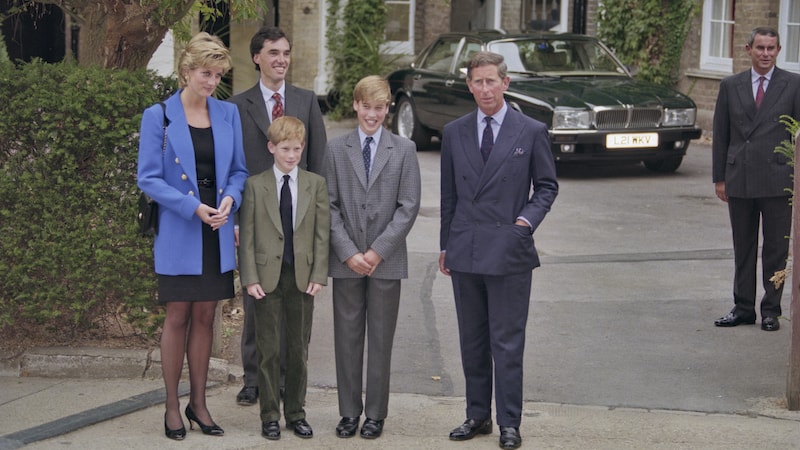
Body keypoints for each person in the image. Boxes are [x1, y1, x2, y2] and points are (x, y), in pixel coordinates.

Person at [439, 51, 558, 450]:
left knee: (506, 342)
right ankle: (477, 415)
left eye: (492, 81)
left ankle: (510, 421)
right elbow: (449, 195)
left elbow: (546, 187)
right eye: (478, 82)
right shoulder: (454, 131)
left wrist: (523, 224)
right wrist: (446, 246)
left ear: (506, 83)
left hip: (509, 251)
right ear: (468, 85)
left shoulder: (530, 130)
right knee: (472, 338)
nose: (485, 89)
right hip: (466, 248)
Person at [137, 32, 248, 440]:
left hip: (215, 228)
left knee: (206, 315)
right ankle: (171, 406)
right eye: (206, 73)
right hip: (180, 227)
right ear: (186, 72)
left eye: (218, 75)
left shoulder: (227, 114)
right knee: (178, 315)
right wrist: (192, 206)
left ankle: (199, 404)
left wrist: (230, 201)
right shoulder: (159, 116)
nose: (212, 81)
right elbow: (147, 178)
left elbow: (238, 170)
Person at [228, 26, 328, 406]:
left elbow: (319, 162)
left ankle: (290, 378)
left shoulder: (306, 101)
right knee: (258, 300)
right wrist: (237, 218)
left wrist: (320, 219)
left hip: (299, 215)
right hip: (258, 218)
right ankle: (254, 378)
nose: (281, 60)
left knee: (297, 302)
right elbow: (233, 167)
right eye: (273, 53)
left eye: (286, 53)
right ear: (257, 58)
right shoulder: (238, 107)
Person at [325, 75, 421, 440]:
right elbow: (329, 206)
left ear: (388, 109)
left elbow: (408, 206)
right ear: (355, 105)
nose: (372, 114)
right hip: (346, 260)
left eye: (379, 108)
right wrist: (349, 253)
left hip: (386, 260)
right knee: (347, 337)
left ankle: (376, 413)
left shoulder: (404, 149)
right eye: (366, 107)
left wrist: (377, 251)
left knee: (381, 339)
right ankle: (349, 412)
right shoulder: (336, 149)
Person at [238, 116, 330, 440]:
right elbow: (247, 237)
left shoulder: (315, 184)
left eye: (296, 149)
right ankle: (269, 416)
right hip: (265, 278)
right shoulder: (255, 185)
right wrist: (249, 278)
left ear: (303, 149)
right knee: (268, 349)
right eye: (285, 149)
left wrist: (319, 273)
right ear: (271, 148)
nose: (291, 155)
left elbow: (321, 234)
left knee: (297, 349)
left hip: (301, 277)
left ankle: (296, 413)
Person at [712, 27, 800, 332]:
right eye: (760, 48)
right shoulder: (730, 85)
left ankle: (770, 310)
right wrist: (720, 179)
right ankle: (743, 308)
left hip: (778, 179)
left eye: (771, 48)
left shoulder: (793, 84)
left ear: (778, 50)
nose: (765, 54)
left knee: (776, 248)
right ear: (748, 49)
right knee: (744, 246)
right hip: (740, 178)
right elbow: (721, 135)